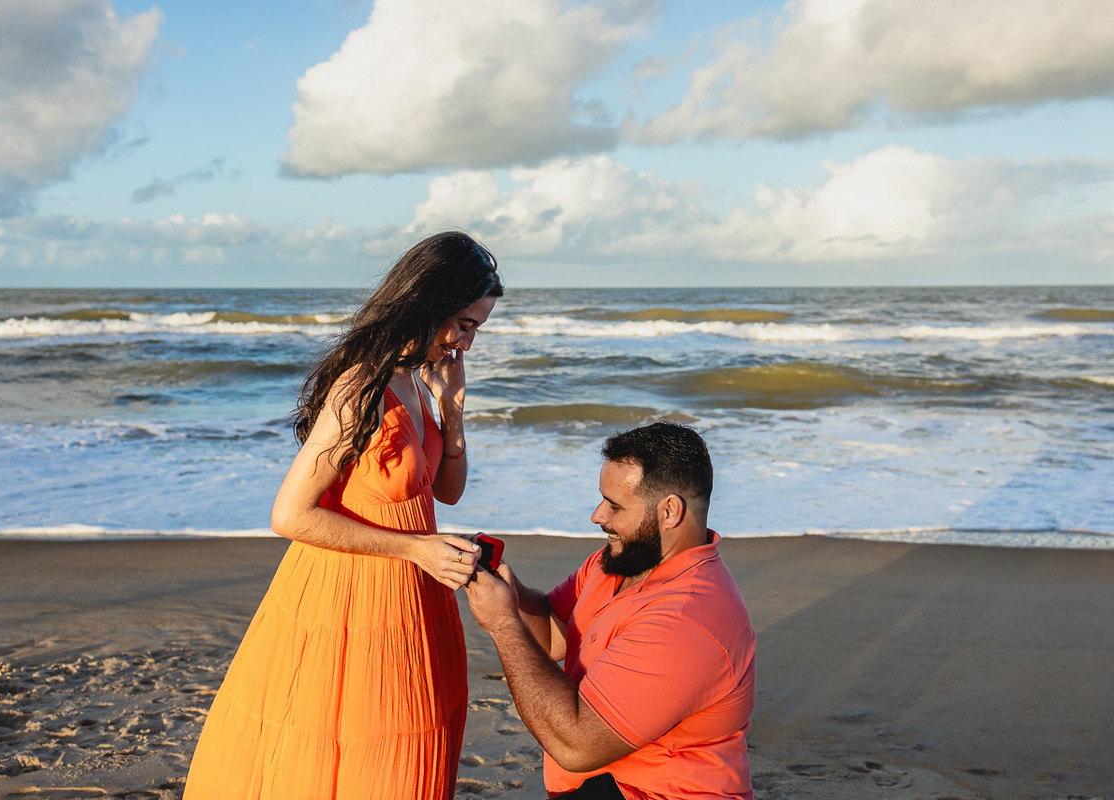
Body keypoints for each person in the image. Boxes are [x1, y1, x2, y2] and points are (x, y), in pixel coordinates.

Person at [184, 231, 503, 799]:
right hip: (352, 599)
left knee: (414, 747)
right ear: (427, 303)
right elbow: (290, 514)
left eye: (476, 327)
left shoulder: (416, 379)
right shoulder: (362, 387)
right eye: (465, 323)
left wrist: (452, 411)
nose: (466, 343)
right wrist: (414, 548)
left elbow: (446, 492)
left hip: (414, 596)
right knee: (357, 754)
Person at [465, 422, 756, 800]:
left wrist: (504, 624)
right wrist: (508, 590)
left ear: (670, 511)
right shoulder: (619, 562)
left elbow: (576, 747)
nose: (597, 515)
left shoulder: (685, 619)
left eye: (615, 506)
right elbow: (555, 635)